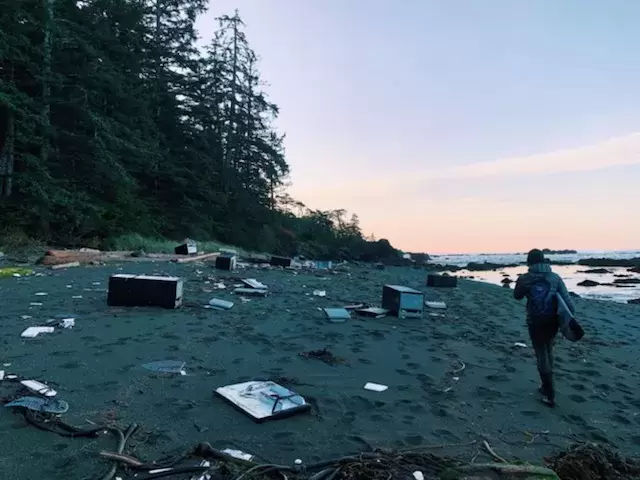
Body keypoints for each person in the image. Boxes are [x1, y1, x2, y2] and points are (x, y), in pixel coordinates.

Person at [513, 248, 575, 407]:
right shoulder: (555, 277)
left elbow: (517, 296)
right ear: (544, 260)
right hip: (552, 322)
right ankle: (545, 385)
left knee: (541, 353)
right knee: (548, 349)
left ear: (529, 262)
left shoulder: (525, 278)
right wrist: (567, 321)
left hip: (535, 321)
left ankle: (549, 392)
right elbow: (569, 303)